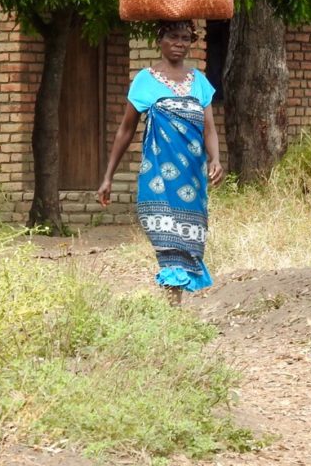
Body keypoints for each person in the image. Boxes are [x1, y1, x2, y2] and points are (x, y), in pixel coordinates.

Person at [96, 20, 225, 305]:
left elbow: (209, 129)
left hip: (192, 179)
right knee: (165, 236)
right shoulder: (145, 80)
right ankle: (172, 305)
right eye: (173, 37)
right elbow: (126, 129)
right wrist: (108, 176)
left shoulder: (199, 81)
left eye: (185, 38)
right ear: (160, 40)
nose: (179, 43)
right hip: (156, 179)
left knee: (188, 241)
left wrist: (215, 159)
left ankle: (175, 307)